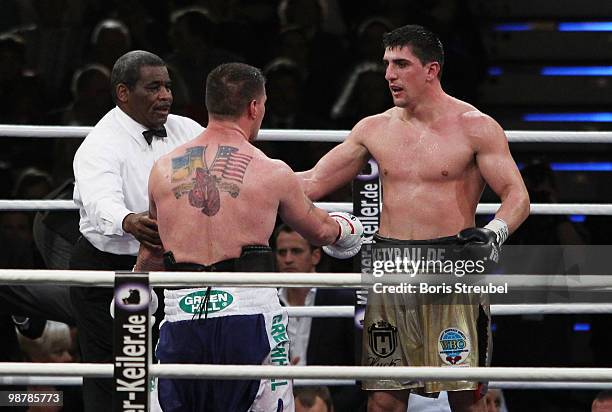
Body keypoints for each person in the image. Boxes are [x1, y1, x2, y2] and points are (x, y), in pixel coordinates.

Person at [298, 25, 530, 412]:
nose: (389, 74)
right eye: (387, 64)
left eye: (401, 64)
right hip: (391, 267)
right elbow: (313, 181)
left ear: (431, 70)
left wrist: (493, 234)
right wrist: (254, 182)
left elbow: (517, 196)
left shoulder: (475, 127)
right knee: (384, 400)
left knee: (467, 398)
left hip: (452, 265)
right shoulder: (373, 129)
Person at [134, 62, 364, 412]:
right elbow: (321, 232)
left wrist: (133, 307)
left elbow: (150, 253)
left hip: (181, 317)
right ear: (254, 107)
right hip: (250, 316)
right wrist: (350, 228)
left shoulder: (162, 171)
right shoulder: (270, 171)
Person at [70, 50, 204, 412]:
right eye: (154, 87)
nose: (166, 96)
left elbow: (221, 170)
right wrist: (130, 220)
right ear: (123, 93)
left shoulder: (187, 131)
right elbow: (100, 202)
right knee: (117, 372)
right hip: (110, 267)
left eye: (167, 86)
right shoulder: (100, 144)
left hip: (171, 265)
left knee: (171, 360)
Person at [274, 224, 365, 411]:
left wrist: (330, 405)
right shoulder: (269, 303)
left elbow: (362, 370)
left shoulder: (343, 300)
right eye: (282, 252)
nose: (288, 259)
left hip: (334, 404)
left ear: (315, 256)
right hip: (278, 402)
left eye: (296, 251)